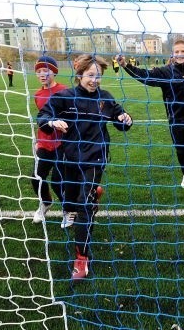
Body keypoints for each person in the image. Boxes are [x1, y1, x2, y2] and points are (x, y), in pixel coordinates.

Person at [37, 54, 133, 280]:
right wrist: (51, 122)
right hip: (69, 158)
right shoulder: (65, 97)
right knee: (69, 203)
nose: (94, 80)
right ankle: (91, 195)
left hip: (96, 158)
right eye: (90, 75)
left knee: (83, 207)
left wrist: (125, 119)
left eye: (98, 76)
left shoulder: (105, 98)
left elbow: (121, 118)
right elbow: (43, 115)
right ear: (80, 74)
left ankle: (81, 260)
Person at [116, 40, 184, 191]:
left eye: (183, 51)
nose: (180, 54)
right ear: (172, 54)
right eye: (177, 52)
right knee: (181, 149)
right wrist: (126, 65)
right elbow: (144, 75)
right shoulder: (165, 72)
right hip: (174, 118)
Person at [31, 56, 68, 225]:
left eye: (45, 70)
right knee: (36, 177)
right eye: (38, 71)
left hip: (62, 144)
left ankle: (68, 210)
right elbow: (41, 119)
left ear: (53, 71)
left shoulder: (65, 91)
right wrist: (38, 140)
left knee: (58, 182)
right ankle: (46, 203)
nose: (42, 74)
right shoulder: (38, 94)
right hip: (44, 143)